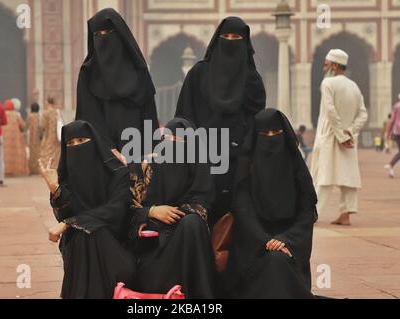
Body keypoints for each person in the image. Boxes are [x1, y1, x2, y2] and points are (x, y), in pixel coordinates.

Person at [175, 16, 266, 226]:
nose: (230, 42)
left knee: (233, 217)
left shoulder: (251, 79)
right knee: (200, 212)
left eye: (236, 37)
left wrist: (249, 152)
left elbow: (256, 121)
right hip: (201, 158)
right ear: (217, 40)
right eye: (225, 36)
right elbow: (184, 116)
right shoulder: (199, 74)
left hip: (238, 161)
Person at [225, 108, 317, 299]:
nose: (271, 139)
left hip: (290, 244)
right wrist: (265, 240)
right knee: (274, 261)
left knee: (279, 261)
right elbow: (244, 212)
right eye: (264, 134)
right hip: (253, 247)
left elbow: (307, 211)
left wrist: (287, 239)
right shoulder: (246, 168)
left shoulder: (295, 166)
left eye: (276, 134)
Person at [39, 120, 135, 299]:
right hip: (79, 246)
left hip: (116, 246)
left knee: (90, 233)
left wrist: (69, 224)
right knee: (84, 234)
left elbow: (116, 210)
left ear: (95, 141)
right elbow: (66, 214)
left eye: (81, 140)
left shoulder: (117, 173)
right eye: (70, 144)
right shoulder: (67, 179)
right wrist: (55, 189)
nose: (76, 147)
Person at [127, 118, 215, 298]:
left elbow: (202, 201)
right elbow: (124, 210)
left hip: (186, 241)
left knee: (192, 224)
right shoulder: (143, 166)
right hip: (152, 252)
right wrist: (152, 211)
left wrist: (175, 217)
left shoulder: (200, 173)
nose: (172, 145)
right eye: (167, 139)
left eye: (179, 141)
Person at [75, 8, 159, 153]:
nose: (103, 38)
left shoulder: (139, 70)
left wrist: (151, 150)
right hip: (104, 156)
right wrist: (109, 148)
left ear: (120, 35)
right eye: (98, 34)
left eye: (108, 33)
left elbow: (149, 114)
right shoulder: (88, 73)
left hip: (139, 151)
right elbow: (89, 117)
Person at [311, 49, 368, 226]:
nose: (324, 67)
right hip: (348, 140)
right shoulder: (354, 86)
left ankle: (312, 214)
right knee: (347, 177)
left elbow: (330, 111)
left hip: (329, 136)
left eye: (326, 64)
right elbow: (363, 114)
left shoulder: (328, 83)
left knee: (323, 176)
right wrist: (350, 131)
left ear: (335, 65)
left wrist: (341, 135)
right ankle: (346, 214)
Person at [3, 100, 29, 176]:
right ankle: (16, 171)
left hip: (5, 138)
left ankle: (6, 171)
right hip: (15, 137)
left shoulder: (3, 114)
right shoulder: (16, 115)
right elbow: (23, 126)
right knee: (17, 154)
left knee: (5, 154)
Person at [39, 97, 60, 170]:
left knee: (46, 152)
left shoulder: (45, 113)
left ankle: (47, 168)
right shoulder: (57, 112)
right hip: (57, 136)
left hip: (48, 136)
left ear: (47, 102)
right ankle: (55, 168)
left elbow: (43, 126)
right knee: (56, 152)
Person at [385, 95, 400, 178]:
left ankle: (390, 166)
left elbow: (392, 120)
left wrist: (388, 132)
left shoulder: (396, 106)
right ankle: (390, 165)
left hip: (397, 131)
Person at [27, 103, 41, 175]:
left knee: (31, 153)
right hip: (38, 137)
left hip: (31, 137)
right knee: (38, 153)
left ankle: (32, 170)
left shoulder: (30, 116)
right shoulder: (39, 116)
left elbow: (27, 126)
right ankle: (37, 169)